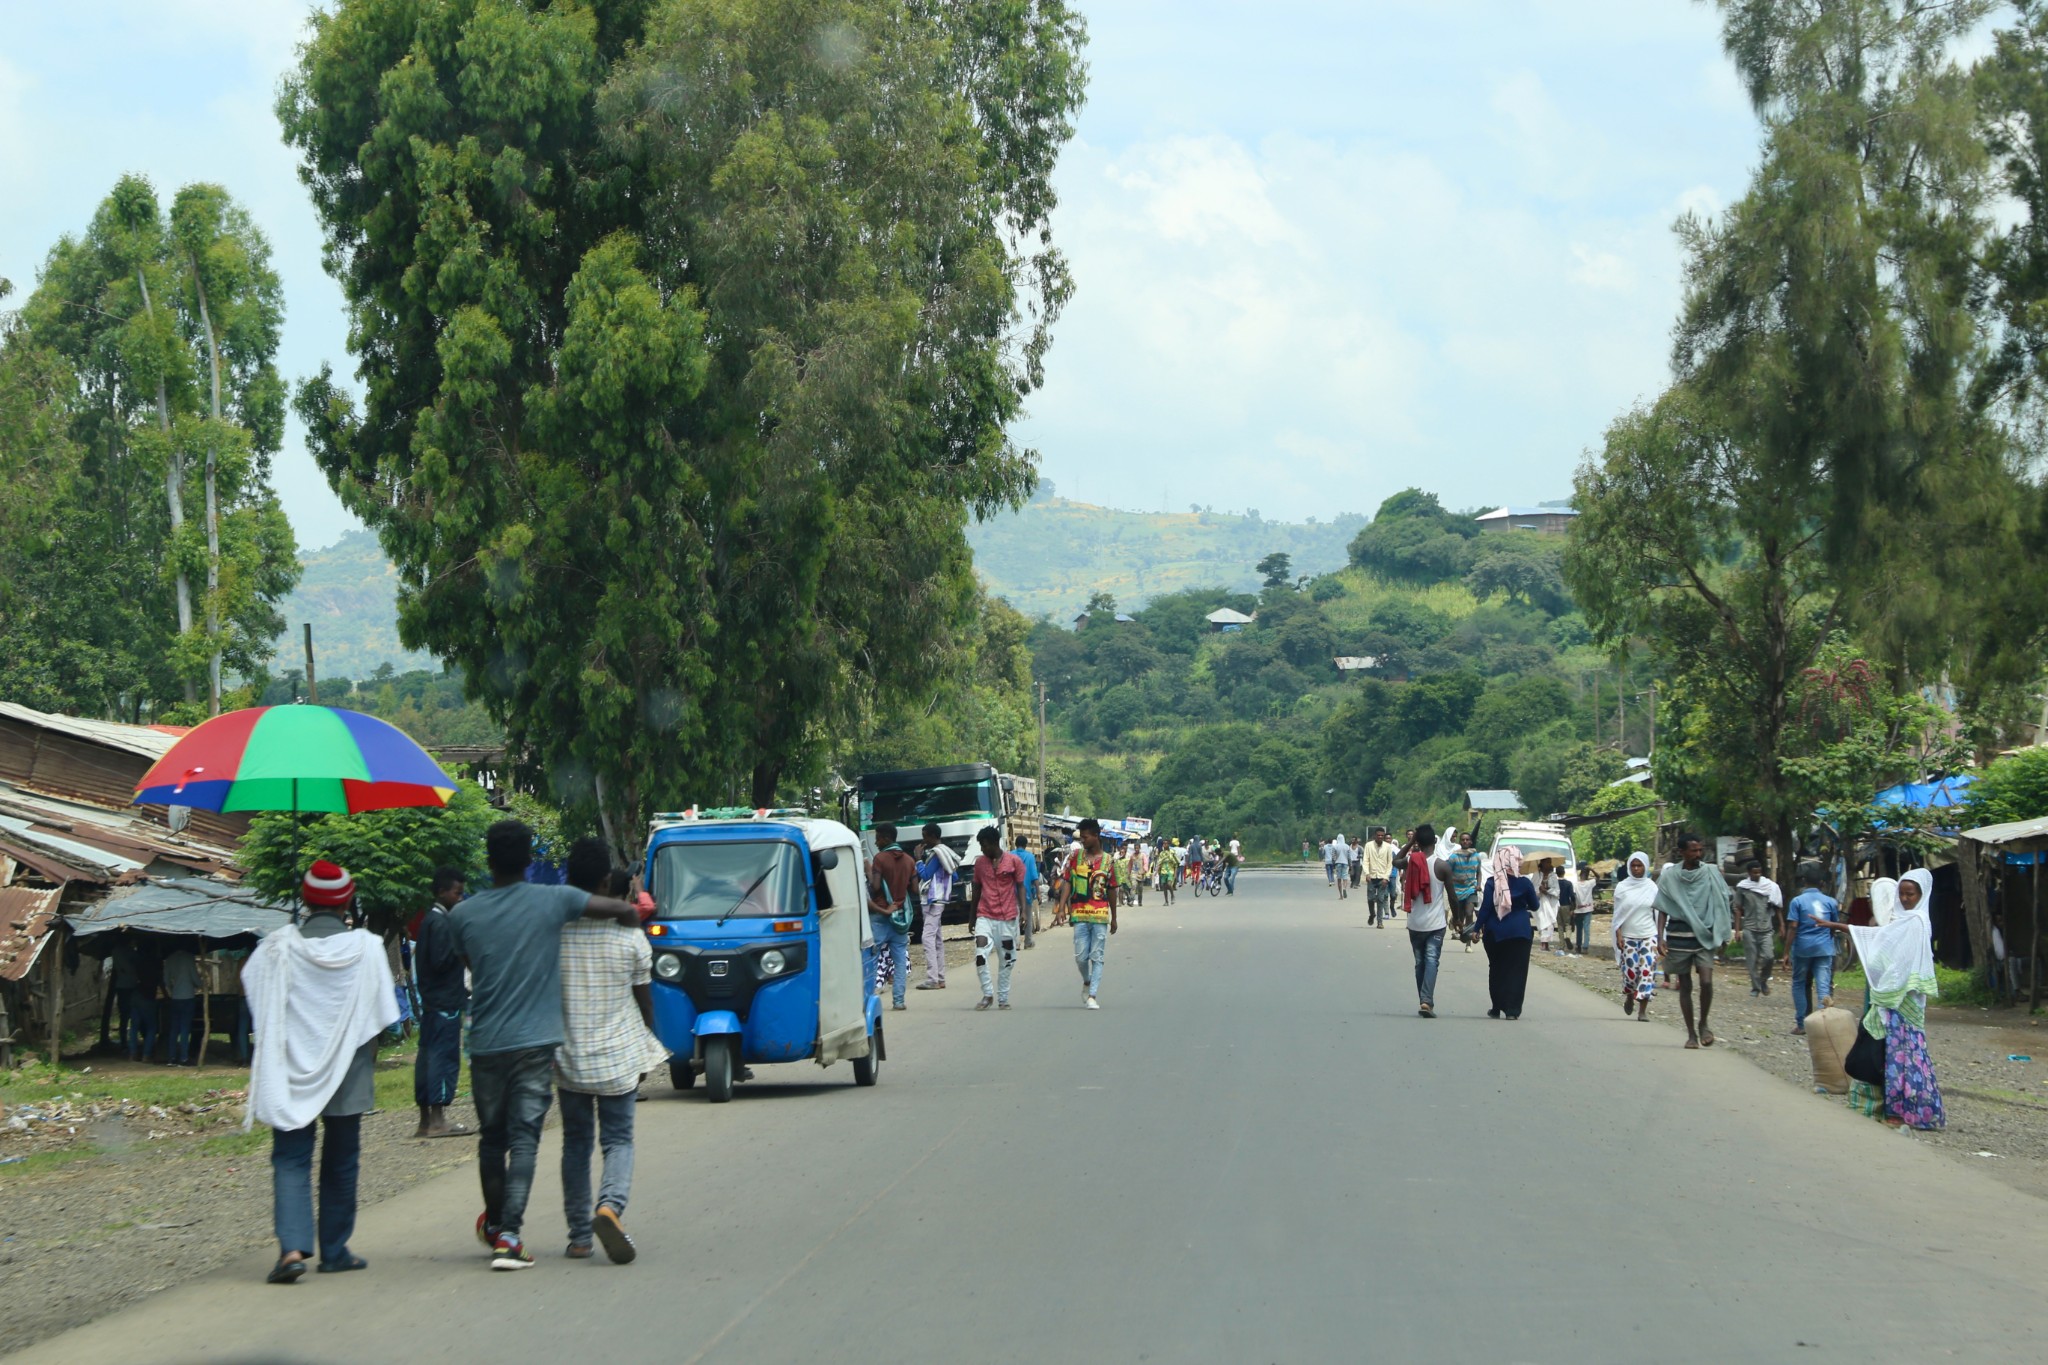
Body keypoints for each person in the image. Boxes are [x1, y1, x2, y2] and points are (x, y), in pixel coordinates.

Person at [447, 819, 644, 1271]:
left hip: (486, 1043)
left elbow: (469, 962)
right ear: (531, 861)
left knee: (491, 1141)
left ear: (488, 861)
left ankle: (499, 1225)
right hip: (536, 1043)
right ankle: (510, 1237)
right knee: (526, 1140)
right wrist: (633, 913)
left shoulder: (462, 914)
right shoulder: (555, 900)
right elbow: (617, 910)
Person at [243, 861, 398, 1284]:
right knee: (342, 1159)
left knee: (291, 1158)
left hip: (291, 1068)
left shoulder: (277, 946)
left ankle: (291, 1250)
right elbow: (384, 1012)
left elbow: (255, 991)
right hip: (349, 1069)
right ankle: (334, 1251)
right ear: (347, 900)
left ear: (306, 900)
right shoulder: (366, 947)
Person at [555, 841, 667, 1264]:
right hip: (618, 1057)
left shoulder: (556, 934)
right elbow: (645, 1003)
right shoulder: (632, 941)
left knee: (575, 1144)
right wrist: (648, 1050)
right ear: (607, 882)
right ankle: (610, 1207)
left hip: (569, 1059)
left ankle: (579, 1237)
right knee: (618, 1140)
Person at [1833, 867, 1946, 1130]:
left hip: (1904, 1000)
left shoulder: (1916, 922)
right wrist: (1839, 926)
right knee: (1891, 1054)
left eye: (1911, 894)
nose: (1906, 899)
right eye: (1902, 893)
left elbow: (1900, 958)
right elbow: (1880, 940)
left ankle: (1910, 1110)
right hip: (1891, 997)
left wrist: (1841, 927)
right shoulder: (1900, 921)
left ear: (1922, 894)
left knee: (1905, 1054)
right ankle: (1892, 1106)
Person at [1654, 833, 1733, 1050]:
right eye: (1693, 850)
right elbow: (1661, 907)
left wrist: (1723, 932)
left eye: (1700, 850)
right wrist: (1659, 937)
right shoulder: (1670, 876)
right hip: (1679, 935)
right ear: (1682, 852)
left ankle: (1704, 1023)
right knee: (1685, 985)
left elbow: (1722, 902)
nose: (1698, 854)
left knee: (1706, 981)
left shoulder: (1711, 873)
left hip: (1705, 934)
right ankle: (1691, 1033)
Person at [413, 865, 473, 1138]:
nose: (460, 899)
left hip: (434, 1002)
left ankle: (426, 1119)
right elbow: (440, 960)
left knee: (427, 1056)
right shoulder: (441, 923)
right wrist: (461, 947)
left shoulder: (430, 920)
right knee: (442, 1058)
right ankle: (437, 1120)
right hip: (444, 1003)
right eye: (457, 893)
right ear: (441, 892)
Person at [1055, 817, 1118, 1008]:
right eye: (1081, 838)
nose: (1083, 841)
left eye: (1085, 837)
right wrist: (1061, 907)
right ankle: (1087, 980)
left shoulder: (1108, 861)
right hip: (1079, 914)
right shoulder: (1075, 858)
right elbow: (1067, 881)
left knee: (1097, 956)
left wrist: (1114, 917)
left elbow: (1112, 889)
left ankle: (1092, 996)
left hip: (1099, 915)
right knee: (1081, 957)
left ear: (1096, 836)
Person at [1478, 845, 1537, 1019]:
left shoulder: (1492, 883)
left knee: (1497, 968)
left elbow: (1486, 908)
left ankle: (1497, 1006)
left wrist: (1476, 929)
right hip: (1520, 932)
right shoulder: (1525, 883)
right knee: (1517, 971)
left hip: (1495, 932)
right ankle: (1512, 1010)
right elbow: (1535, 906)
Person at [970, 827, 1025, 1010]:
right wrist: (972, 918)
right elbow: (976, 890)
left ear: (994, 843)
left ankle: (1003, 997)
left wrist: (1023, 911)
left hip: (1008, 917)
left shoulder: (1013, 861)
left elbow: (1020, 886)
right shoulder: (979, 864)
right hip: (985, 915)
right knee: (980, 955)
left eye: (984, 845)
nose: (982, 849)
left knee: (1007, 959)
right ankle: (987, 994)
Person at [866, 823, 918, 1010]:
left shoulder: (880, 858)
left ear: (887, 838)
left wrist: (868, 871)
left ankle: (868, 1000)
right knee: (900, 960)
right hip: (901, 917)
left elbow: (876, 887)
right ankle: (899, 1001)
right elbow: (914, 889)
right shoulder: (909, 860)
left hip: (880, 915)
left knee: (871, 957)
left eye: (878, 838)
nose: (876, 842)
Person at [1785, 863, 1840, 1036]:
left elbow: (1793, 927)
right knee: (1823, 985)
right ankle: (1823, 1025)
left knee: (1800, 983)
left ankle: (1802, 1024)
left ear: (1803, 881)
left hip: (1802, 948)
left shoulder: (1797, 901)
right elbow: (1833, 925)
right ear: (1822, 884)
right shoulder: (1831, 902)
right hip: (1824, 948)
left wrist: (1786, 951)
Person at [1402, 824, 1451, 1017]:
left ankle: (1424, 999)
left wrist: (1410, 843)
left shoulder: (1411, 861)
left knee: (1419, 962)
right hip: (1436, 923)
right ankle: (1426, 1001)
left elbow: (1395, 860)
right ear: (1436, 841)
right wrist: (1460, 921)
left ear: (1418, 842)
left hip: (1415, 923)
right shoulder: (1442, 865)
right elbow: (1453, 897)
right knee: (1432, 960)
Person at [1610, 852, 1659, 1019]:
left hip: (1648, 935)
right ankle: (1630, 996)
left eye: (1640, 866)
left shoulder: (1652, 887)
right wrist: (1618, 935)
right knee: (1631, 972)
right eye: (1634, 866)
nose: (1637, 869)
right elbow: (1617, 916)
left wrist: (1661, 937)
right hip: (1628, 936)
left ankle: (1642, 1010)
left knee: (1647, 971)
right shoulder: (1622, 887)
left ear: (1645, 866)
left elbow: (1658, 913)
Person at [914, 823, 959, 992]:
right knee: (937, 939)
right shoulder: (946, 852)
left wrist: (918, 858)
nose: (923, 840)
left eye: (925, 836)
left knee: (927, 937)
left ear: (932, 836)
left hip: (932, 899)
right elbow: (954, 875)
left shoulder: (936, 854)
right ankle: (940, 977)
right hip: (942, 899)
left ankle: (932, 978)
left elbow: (925, 874)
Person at [1733, 860, 1784, 998]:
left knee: (1769, 957)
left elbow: (1777, 907)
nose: (1757, 875)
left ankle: (1763, 980)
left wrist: (1782, 926)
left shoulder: (1770, 887)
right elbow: (1738, 909)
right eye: (1754, 872)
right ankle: (1755, 987)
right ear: (1749, 873)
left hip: (1766, 929)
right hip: (1749, 928)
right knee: (1752, 960)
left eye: (1759, 872)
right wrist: (1737, 930)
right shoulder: (1743, 888)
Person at [164, 937, 200, 1065]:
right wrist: (201, 985)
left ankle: (171, 1057)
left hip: (175, 997)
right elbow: (195, 978)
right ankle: (184, 1057)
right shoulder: (189, 958)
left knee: (174, 1029)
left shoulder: (170, 959)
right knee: (185, 1029)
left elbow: (166, 980)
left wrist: (171, 989)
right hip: (188, 996)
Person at [1446, 832, 1485, 949]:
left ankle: (1468, 943)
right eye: (1463, 840)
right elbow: (1447, 875)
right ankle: (1454, 920)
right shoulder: (1454, 857)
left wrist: (1478, 885)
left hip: (1471, 890)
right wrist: (1457, 879)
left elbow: (1479, 873)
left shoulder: (1476, 856)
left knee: (1469, 913)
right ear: (1460, 842)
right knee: (1460, 916)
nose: (1465, 842)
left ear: (1471, 842)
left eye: (1467, 840)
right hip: (1457, 891)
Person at [1360, 828, 1395, 928]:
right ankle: (1372, 914)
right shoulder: (1369, 845)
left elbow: (1389, 864)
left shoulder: (1388, 847)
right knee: (1370, 898)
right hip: (1371, 876)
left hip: (1382, 877)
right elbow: (1365, 860)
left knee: (1380, 900)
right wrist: (1366, 873)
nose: (1380, 837)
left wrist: (1386, 877)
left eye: (1382, 836)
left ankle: (1380, 922)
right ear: (1375, 836)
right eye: (1378, 835)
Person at [1531, 858, 1563, 955]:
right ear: (1542, 863)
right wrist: (1539, 889)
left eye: (1550, 862)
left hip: (1551, 902)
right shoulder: (1537, 875)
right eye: (1547, 862)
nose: (1549, 864)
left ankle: (1546, 943)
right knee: (1542, 921)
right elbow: (1532, 887)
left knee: (1550, 923)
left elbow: (1557, 891)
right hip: (1540, 902)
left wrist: (1547, 890)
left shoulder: (1553, 876)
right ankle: (1543, 943)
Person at [1016, 836, 1044, 941]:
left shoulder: (1010, 855)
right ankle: (1028, 940)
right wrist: (1038, 892)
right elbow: (1034, 876)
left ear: (1015, 844)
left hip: (1012, 892)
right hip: (1026, 891)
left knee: (1014, 917)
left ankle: (1016, 942)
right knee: (1027, 914)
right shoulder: (1030, 857)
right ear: (1026, 845)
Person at [1329, 831, 1351, 898]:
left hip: (1338, 863)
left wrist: (1333, 864)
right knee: (1345, 878)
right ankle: (1344, 888)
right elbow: (1349, 857)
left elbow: (1333, 856)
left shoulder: (1335, 846)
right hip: (1345, 863)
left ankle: (1341, 895)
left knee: (1339, 879)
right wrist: (1350, 865)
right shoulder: (1347, 846)